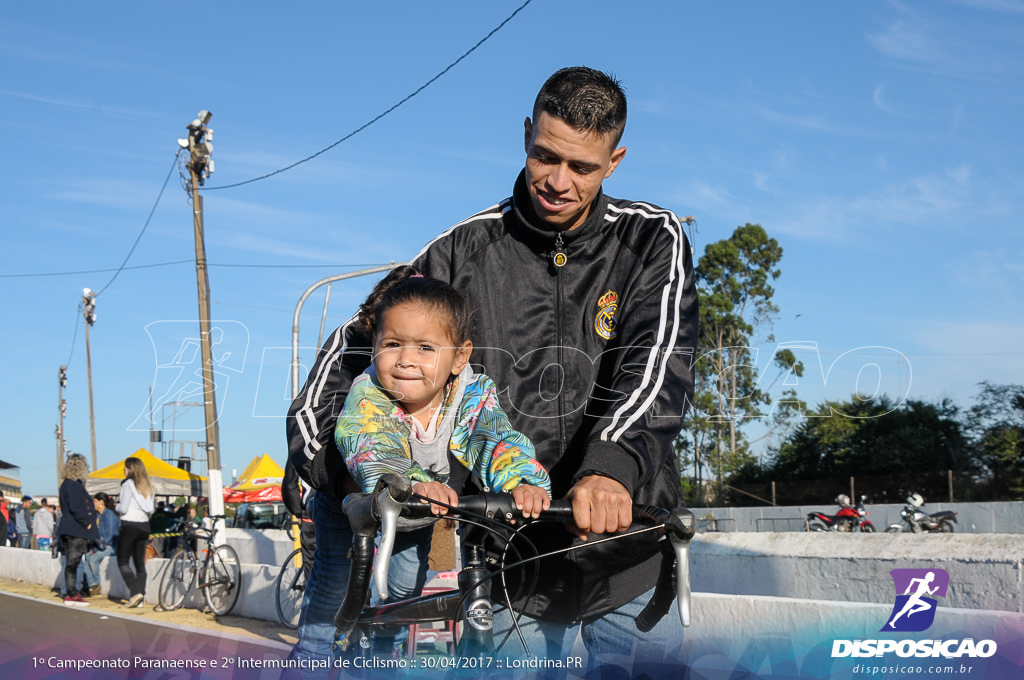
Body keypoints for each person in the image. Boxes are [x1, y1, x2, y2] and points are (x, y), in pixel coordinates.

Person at [287, 66, 697, 675]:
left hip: (625, 546)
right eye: (545, 156)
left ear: (614, 161)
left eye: (582, 167)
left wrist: (612, 467)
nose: (558, 182)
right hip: (509, 561)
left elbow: (658, 360)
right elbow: (348, 358)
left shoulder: (650, 239)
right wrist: (344, 474)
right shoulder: (461, 250)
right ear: (527, 134)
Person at [334, 267, 551, 652]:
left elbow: (493, 436)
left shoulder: (472, 391)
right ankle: (351, 652)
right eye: (392, 344)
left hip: (436, 501)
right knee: (367, 596)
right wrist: (409, 482)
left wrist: (520, 481)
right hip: (376, 502)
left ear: (459, 356)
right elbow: (372, 442)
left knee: (433, 587)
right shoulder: (369, 394)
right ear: (374, 347)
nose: (405, 360)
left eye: (425, 348)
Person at [56, 454, 99, 606]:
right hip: (75, 528)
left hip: (69, 527)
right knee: (73, 562)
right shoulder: (73, 485)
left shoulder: (65, 485)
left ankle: (71, 593)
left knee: (71, 562)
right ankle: (72, 594)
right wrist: (85, 521)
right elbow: (75, 506)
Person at [115, 456, 154, 608]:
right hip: (144, 525)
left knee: (123, 562)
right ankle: (141, 598)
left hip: (129, 525)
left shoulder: (127, 484)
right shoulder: (149, 485)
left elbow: (123, 508)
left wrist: (115, 507)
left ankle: (135, 591)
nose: (123, 471)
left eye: (125, 468)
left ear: (130, 469)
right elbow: (149, 508)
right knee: (140, 564)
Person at [82, 492, 120, 596]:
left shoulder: (109, 514)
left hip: (110, 546)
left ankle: (96, 584)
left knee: (93, 559)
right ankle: (92, 583)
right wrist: (92, 547)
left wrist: (99, 547)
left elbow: (110, 535)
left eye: (94, 501)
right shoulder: (98, 516)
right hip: (100, 545)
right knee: (86, 557)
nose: (92, 504)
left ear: (101, 502)